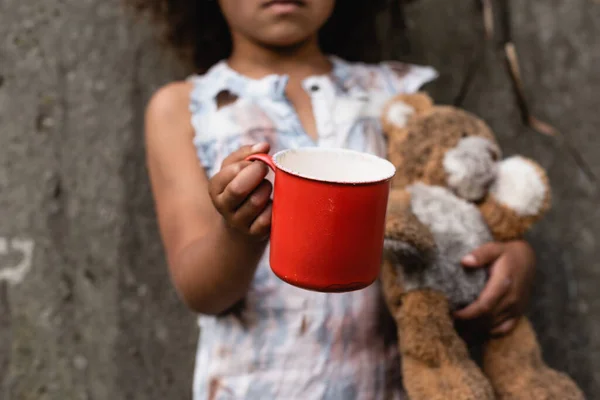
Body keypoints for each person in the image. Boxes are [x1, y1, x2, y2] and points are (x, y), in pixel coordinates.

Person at [132, 0, 537, 398]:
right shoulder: (186, 109)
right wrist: (240, 233)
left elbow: (455, 217)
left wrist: (513, 258)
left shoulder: (394, 96)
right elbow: (199, 292)